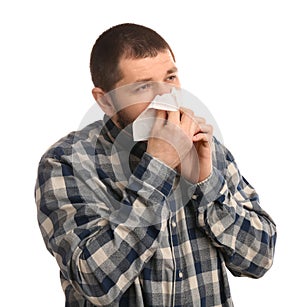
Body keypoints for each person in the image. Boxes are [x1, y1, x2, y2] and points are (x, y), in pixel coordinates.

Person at [35, 23, 277, 307]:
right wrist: (158, 167)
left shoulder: (208, 149)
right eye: (143, 87)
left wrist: (205, 184)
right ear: (105, 101)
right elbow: (95, 281)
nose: (166, 98)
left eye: (170, 77)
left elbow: (259, 259)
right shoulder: (67, 162)